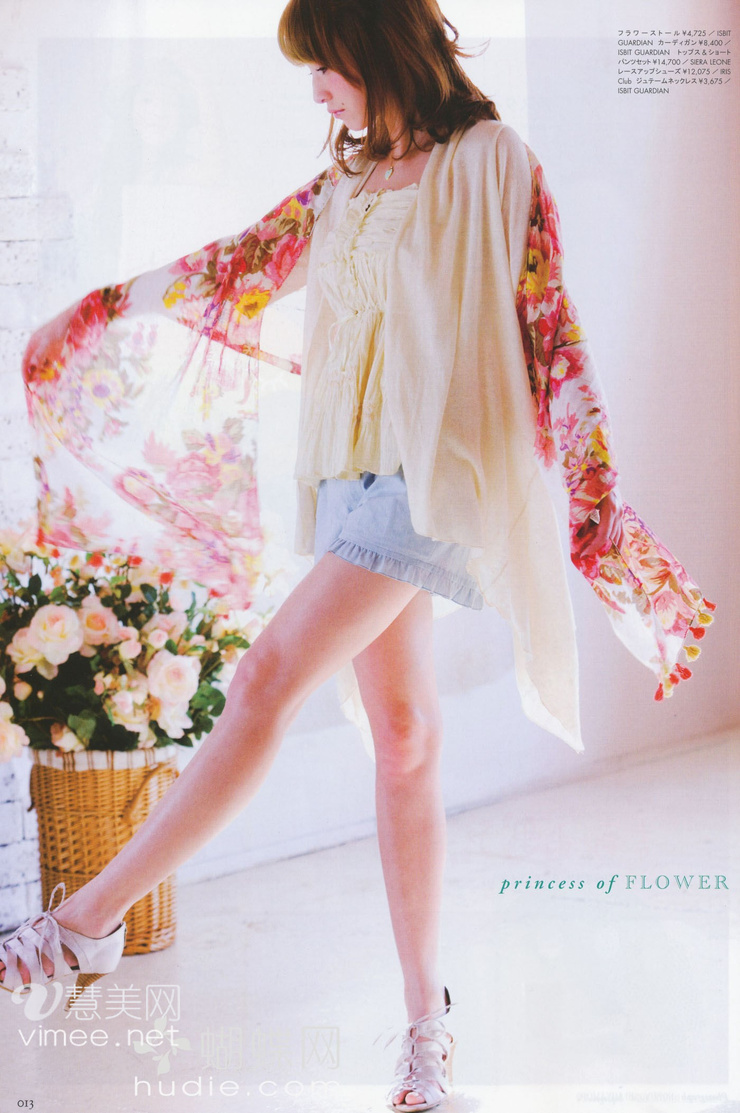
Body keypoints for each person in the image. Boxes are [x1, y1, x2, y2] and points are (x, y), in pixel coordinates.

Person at [0, 2, 714, 1110]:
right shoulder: (343, 185)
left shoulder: (493, 161)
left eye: (325, 66)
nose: (317, 91)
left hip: (435, 482)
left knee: (265, 677)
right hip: (348, 479)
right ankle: (428, 1033)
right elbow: (235, 264)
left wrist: (598, 503)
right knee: (405, 737)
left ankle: (84, 922)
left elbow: (549, 329)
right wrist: (98, 309)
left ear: (373, 49)